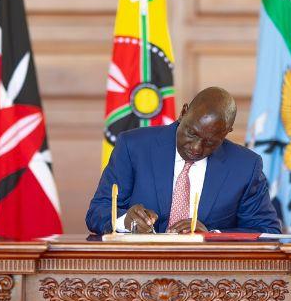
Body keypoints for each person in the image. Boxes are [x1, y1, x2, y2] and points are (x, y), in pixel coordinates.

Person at [87, 87, 280, 234]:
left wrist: (212, 236)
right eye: (191, 133)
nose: (196, 148)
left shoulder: (245, 166)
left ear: (227, 132)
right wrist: (125, 221)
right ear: (183, 112)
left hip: (209, 278)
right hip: (138, 272)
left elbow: (266, 231)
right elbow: (98, 211)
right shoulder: (133, 147)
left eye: (210, 142)